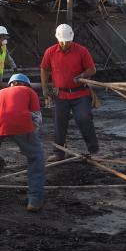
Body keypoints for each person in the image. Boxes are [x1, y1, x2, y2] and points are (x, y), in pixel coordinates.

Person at [0, 73, 46, 212]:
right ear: (26, 84)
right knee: (36, 157)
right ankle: (35, 201)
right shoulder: (29, 91)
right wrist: (30, 141)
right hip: (19, 122)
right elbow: (37, 119)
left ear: (10, 84)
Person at [41, 24, 98, 161]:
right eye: (62, 41)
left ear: (72, 38)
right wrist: (44, 88)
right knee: (59, 123)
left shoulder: (81, 51)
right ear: (57, 39)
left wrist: (83, 75)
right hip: (61, 94)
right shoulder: (50, 52)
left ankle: (94, 151)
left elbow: (92, 69)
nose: (65, 43)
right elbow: (44, 69)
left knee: (84, 118)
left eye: (67, 41)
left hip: (80, 93)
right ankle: (59, 153)